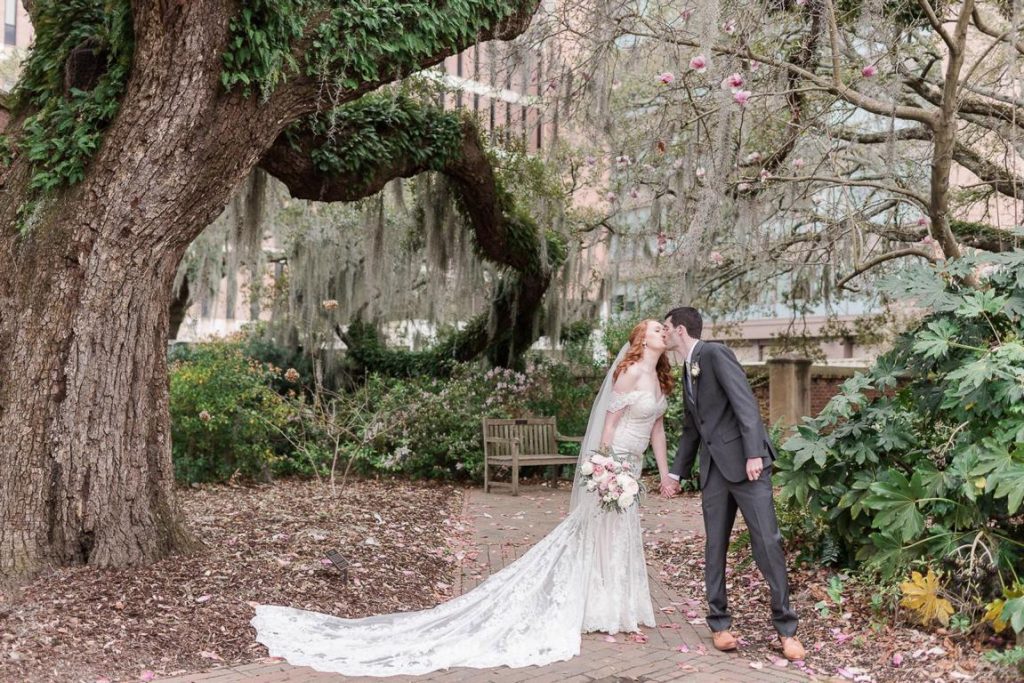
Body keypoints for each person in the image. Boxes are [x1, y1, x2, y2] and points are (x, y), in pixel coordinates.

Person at [251, 320, 677, 675]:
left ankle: (619, 604)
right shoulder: (630, 371)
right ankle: (597, 604)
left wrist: (664, 474)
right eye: (657, 328)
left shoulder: (657, 380)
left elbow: (656, 429)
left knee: (621, 532)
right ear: (642, 338)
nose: (663, 331)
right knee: (598, 532)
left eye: (664, 328)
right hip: (613, 464)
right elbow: (608, 425)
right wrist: (603, 467)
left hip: (634, 467)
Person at [661, 306, 804, 661]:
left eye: (666, 328)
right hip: (714, 473)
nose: (663, 334)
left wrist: (754, 452)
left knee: (767, 543)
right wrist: (676, 474)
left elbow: (745, 403)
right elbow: (693, 428)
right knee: (715, 547)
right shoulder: (686, 368)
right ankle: (719, 624)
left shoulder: (714, 353)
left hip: (747, 466)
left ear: (680, 330)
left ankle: (786, 630)